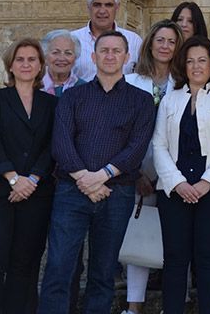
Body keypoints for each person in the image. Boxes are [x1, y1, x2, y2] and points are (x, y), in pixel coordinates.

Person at [37, 31, 156, 314]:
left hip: (117, 193)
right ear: (93, 56)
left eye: (117, 51)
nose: (110, 55)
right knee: (59, 268)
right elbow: (61, 143)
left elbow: (136, 147)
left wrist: (100, 176)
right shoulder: (73, 96)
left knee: (103, 273)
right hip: (71, 193)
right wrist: (84, 179)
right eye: (104, 50)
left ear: (127, 58)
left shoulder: (141, 100)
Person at [152, 37, 210, 314]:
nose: (196, 66)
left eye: (202, 60)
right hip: (174, 189)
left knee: (208, 257)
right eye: (190, 61)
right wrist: (178, 183)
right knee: (175, 258)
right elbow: (159, 144)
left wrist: (205, 183)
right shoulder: (171, 98)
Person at [0, 38, 57, 314]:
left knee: (25, 267)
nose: (26, 64)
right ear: (10, 65)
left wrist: (32, 179)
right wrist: (13, 178)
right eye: (20, 59)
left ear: (41, 65)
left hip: (36, 194)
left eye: (32, 59)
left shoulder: (52, 104)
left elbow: (51, 147)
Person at [121, 19, 183, 314]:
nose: (165, 46)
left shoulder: (184, 84)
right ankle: (134, 307)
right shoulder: (131, 82)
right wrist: (135, 173)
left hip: (174, 174)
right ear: (150, 44)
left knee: (175, 241)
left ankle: (173, 305)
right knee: (139, 238)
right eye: (160, 40)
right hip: (137, 172)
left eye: (171, 42)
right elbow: (121, 132)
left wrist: (166, 175)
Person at [69, 0, 143, 80]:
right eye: (97, 5)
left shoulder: (134, 40)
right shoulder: (72, 40)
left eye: (108, 5)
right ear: (89, 6)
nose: (102, 11)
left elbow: (143, 77)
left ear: (117, 7)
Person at [40, 29, 85, 97]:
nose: (62, 58)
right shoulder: (34, 85)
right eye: (55, 52)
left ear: (75, 57)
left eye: (68, 53)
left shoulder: (84, 88)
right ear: (45, 56)